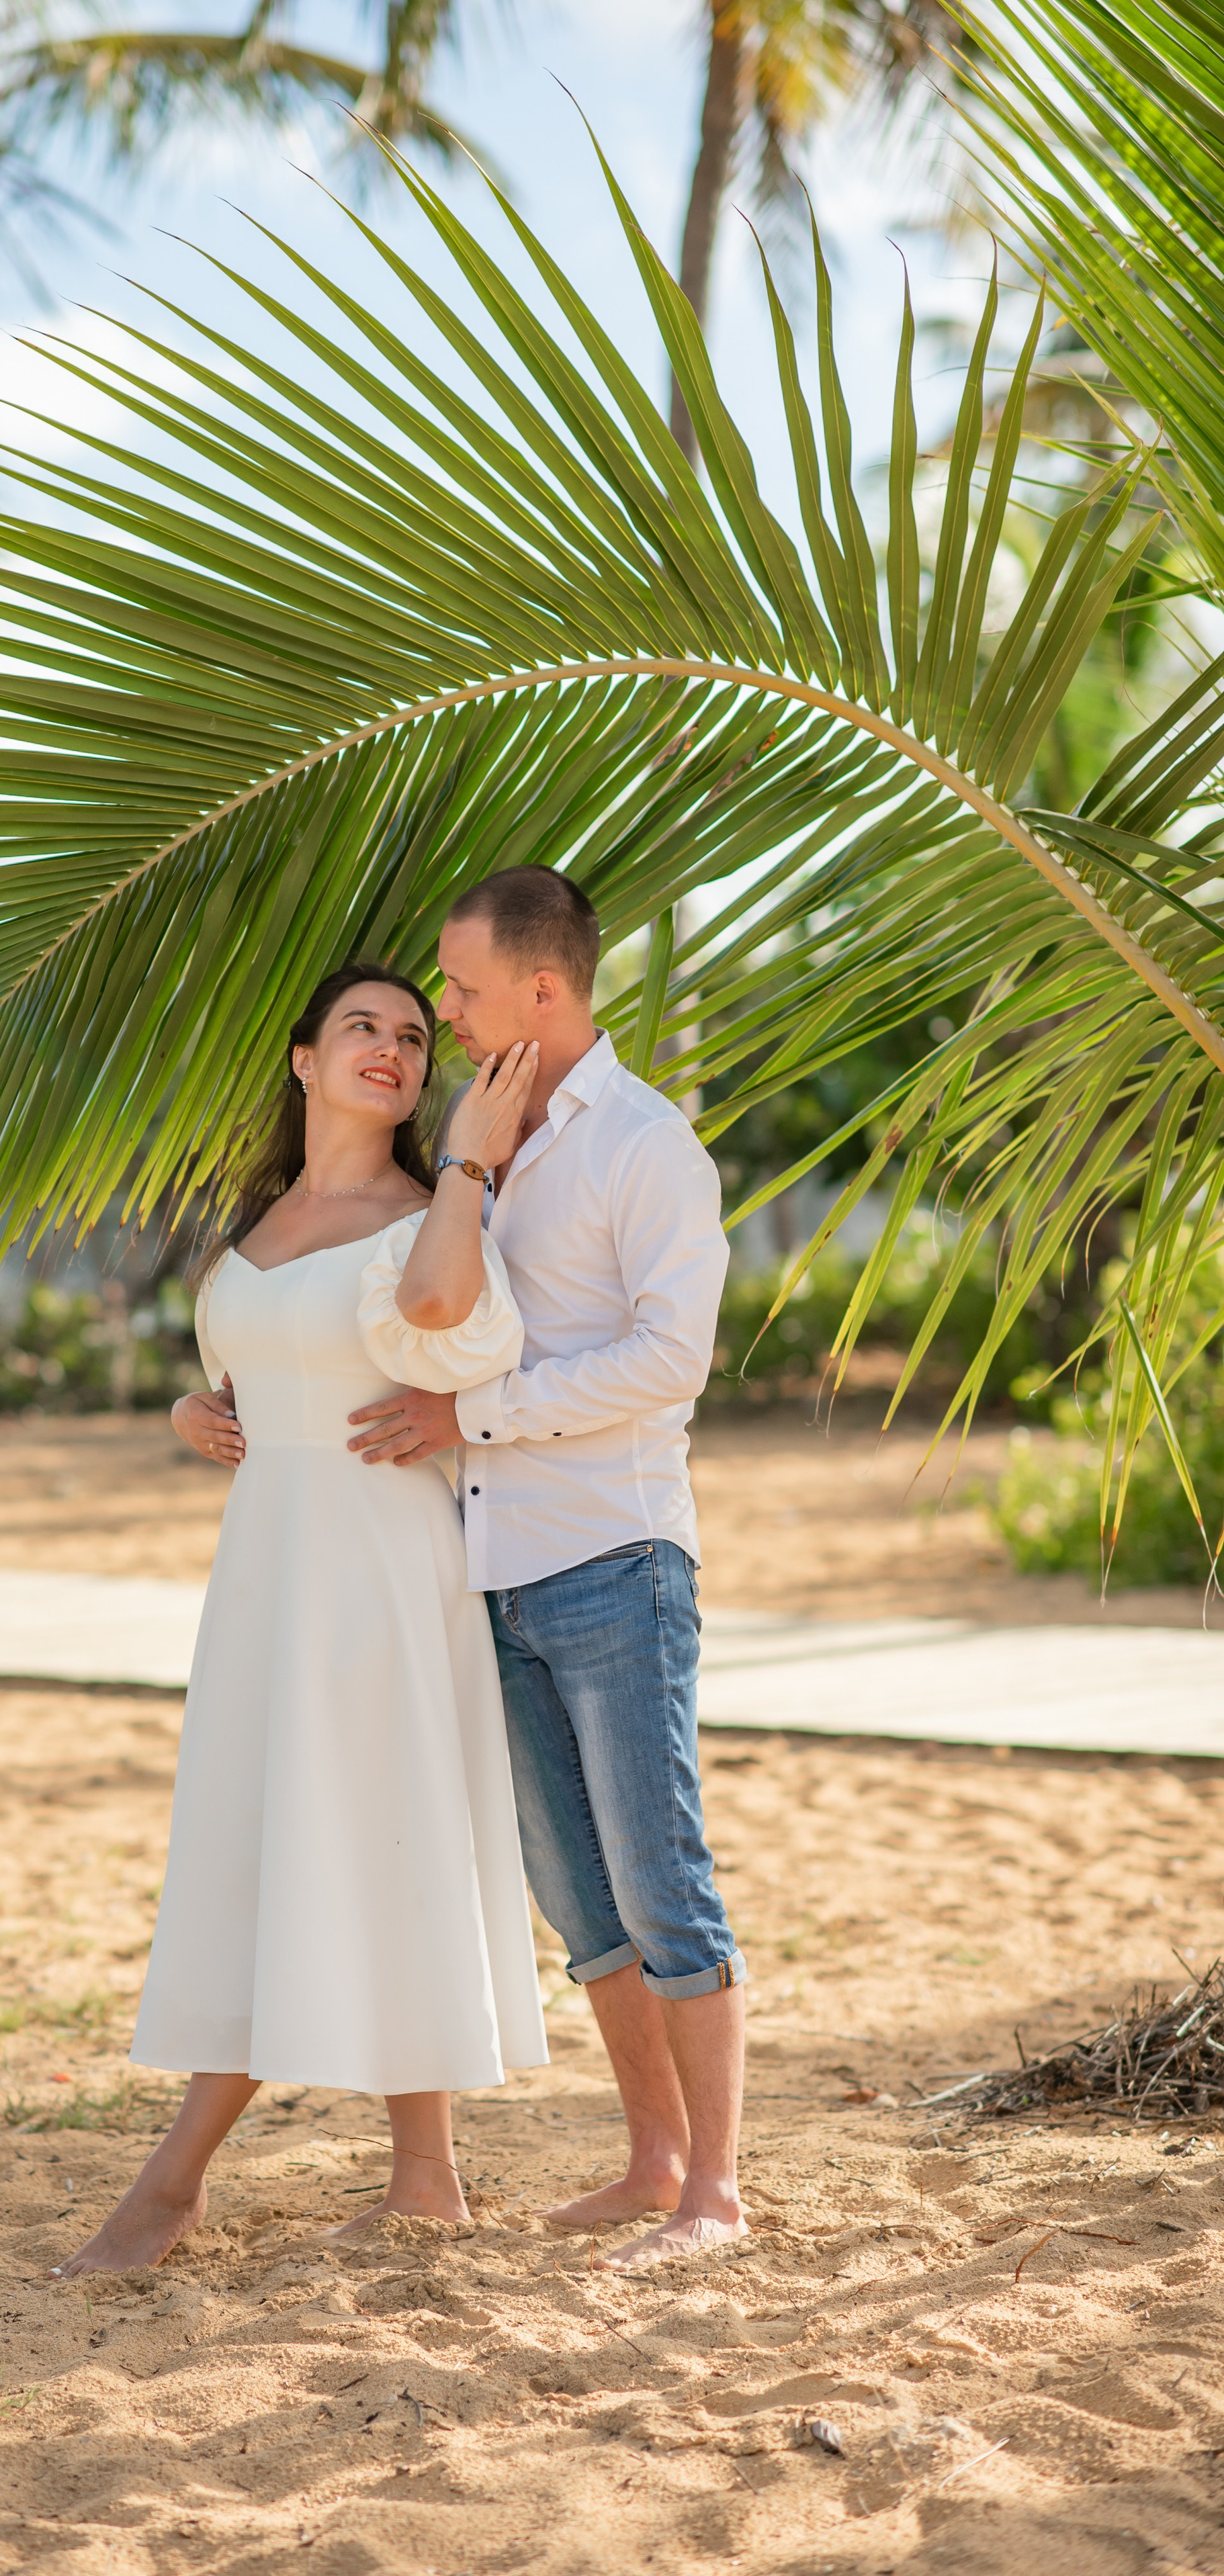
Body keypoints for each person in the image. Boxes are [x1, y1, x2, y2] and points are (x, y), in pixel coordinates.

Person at [51, 963, 548, 2278]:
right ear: (302, 1058)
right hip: (268, 1576)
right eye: (359, 1030)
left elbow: (448, 1322)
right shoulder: (258, 1221)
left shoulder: (422, 1216)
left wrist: (470, 1164)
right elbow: (242, 1366)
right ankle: (425, 2177)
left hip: (380, 1575)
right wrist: (185, 1413)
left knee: (340, 1841)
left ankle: (170, 2183)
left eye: (408, 1035)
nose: (388, 1049)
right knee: (311, 1838)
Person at [346, 868, 746, 2268]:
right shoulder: (483, 1140)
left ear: (542, 987)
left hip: (615, 1558)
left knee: (658, 1879)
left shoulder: (643, 1145)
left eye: (455, 989)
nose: (439, 1012)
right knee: (580, 1900)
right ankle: (651, 2162)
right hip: (493, 1568)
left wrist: (477, 1420)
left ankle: (716, 2192)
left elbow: (667, 1359)